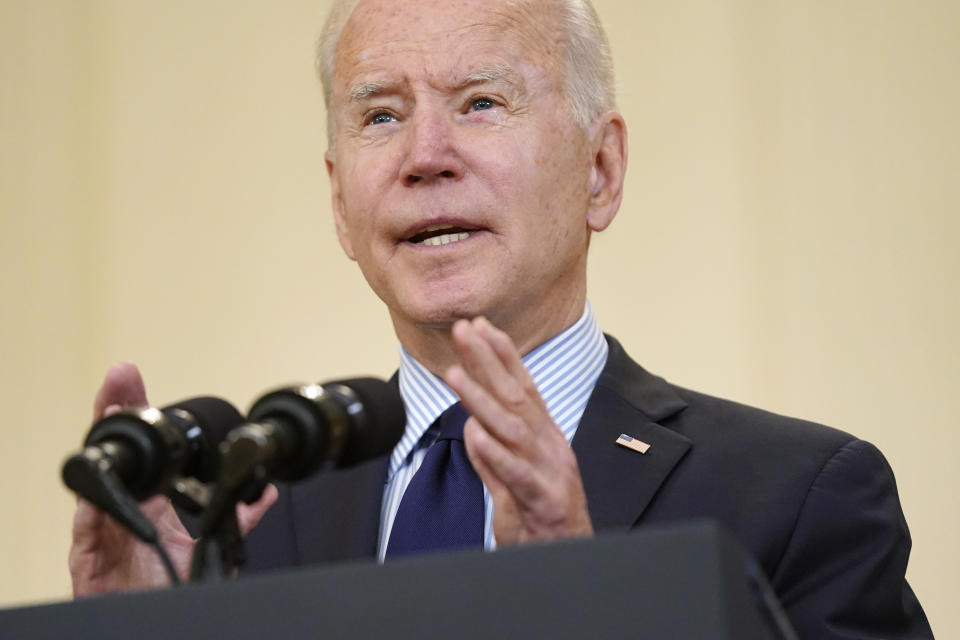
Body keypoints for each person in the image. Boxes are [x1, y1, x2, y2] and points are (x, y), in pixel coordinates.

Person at [70, 0, 932, 637]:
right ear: (339, 201)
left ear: (600, 170)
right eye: (380, 115)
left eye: (480, 102)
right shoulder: (244, 527)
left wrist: (589, 604)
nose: (424, 157)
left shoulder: (803, 499)